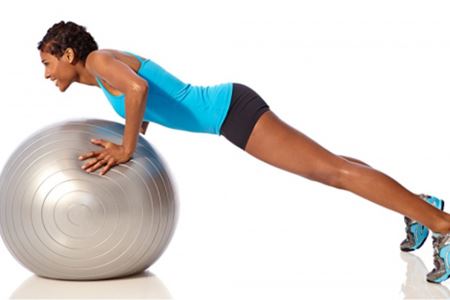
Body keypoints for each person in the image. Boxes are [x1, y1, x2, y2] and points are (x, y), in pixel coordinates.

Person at [37, 21, 450, 283]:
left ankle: (441, 223)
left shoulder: (100, 59)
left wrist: (127, 149)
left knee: (334, 172)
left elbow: (139, 89)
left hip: (231, 111)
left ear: (68, 54)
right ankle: (418, 205)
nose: (46, 73)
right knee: (333, 166)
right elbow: (145, 101)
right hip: (227, 112)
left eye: (47, 63)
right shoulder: (104, 71)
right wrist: (134, 137)